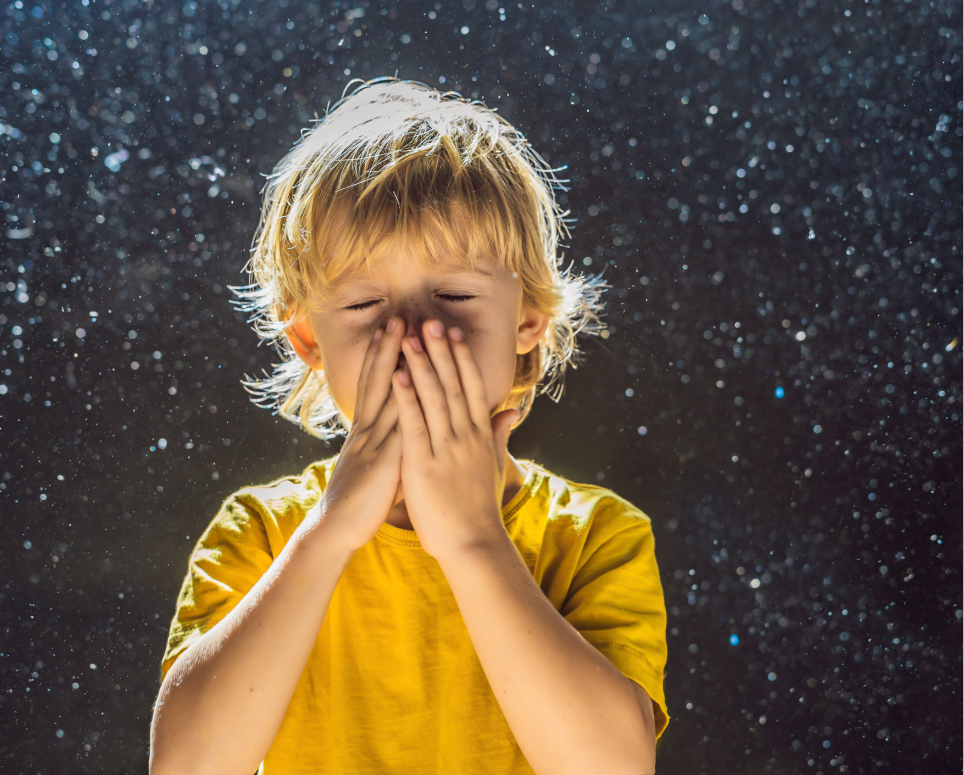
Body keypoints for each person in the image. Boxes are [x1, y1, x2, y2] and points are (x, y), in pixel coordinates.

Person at [149, 78, 668, 775]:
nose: (413, 333)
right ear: (307, 338)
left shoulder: (595, 535)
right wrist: (332, 529)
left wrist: (472, 539)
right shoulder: (262, 533)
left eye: (453, 293)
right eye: (364, 304)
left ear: (527, 319)